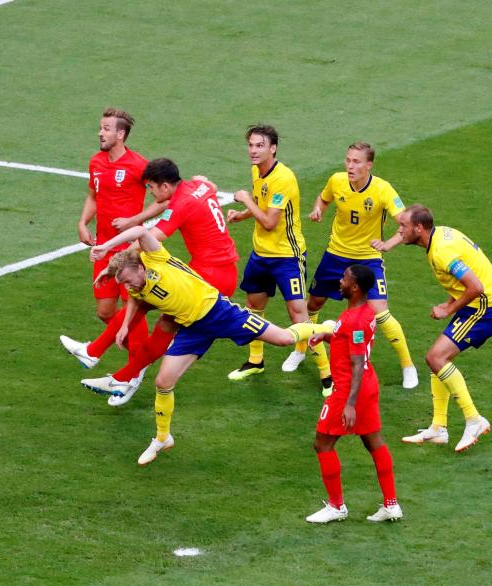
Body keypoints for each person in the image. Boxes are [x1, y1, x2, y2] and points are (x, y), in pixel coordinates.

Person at [90, 225, 329, 465]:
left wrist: (105, 246)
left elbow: (140, 230)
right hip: (192, 329)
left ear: (141, 268)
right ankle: (162, 438)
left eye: (129, 280)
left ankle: (328, 328)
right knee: (163, 382)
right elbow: (135, 297)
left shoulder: (156, 258)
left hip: (219, 312)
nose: (128, 287)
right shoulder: (138, 287)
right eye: (124, 284)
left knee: (285, 338)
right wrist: (124, 324)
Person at [69, 158, 240, 407]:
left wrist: (111, 262)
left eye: (151, 188)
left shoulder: (180, 204)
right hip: (219, 270)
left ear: (165, 186)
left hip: (209, 277)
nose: (151, 193)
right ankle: (99, 357)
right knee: (144, 301)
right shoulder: (196, 186)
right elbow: (207, 185)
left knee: (159, 318)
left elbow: (145, 241)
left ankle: (122, 376)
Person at [284, 143, 418, 390]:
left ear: (369, 165)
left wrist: (388, 243)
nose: (350, 166)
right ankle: (301, 348)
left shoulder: (382, 190)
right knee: (312, 305)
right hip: (335, 255)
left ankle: (408, 366)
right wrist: (318, 210)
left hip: (368, 259)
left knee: (380, 311)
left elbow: (407, 222)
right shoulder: (336, 181)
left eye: (356, 162)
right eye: (348, 160)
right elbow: (324, 199)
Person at [393, 205, 492, 452]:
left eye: (403, 226)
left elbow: (475, 286)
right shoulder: (439, 238)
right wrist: (450, 303)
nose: (399, 230)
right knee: (437, 359)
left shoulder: (441, 252)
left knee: (435, 357)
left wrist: (448, 309)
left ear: (419, 228)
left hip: (487, 307)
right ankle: (438, 428)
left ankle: (474, 419)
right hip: (482, 303)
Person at [61, 108, 154, 394]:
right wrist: (82, 221)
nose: (100, 133)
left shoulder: (139, 165)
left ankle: (133, 370)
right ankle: (141, 358)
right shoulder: (96, 162)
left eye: (106, 128)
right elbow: (93, 195)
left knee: (132, 308)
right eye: (100, 128)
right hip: (103, 247)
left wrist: (134, 222)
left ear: (121, 134)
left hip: (128, 250)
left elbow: (164, 200)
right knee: (105, 311)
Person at [225, 125, 321, 392]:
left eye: (259, 146)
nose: (253, 151)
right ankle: (256, 360)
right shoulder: (258, 171)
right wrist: (241, 214)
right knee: (254, 305)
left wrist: (244, 199)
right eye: (251, 145)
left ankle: (327, 374)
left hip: (287, 256)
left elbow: (269, 221)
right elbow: (262, 206)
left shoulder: (283, 178)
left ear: (273, 148)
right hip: (261, 254)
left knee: (298, 314)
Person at [304, 265, 402, 524]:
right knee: (374, 442)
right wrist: (328, 336)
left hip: (349, 389)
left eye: (345, 278)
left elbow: (356, 363)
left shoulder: (355, 319)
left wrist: (349, 404)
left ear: (355, 287)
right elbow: (350, 343)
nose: (340, 281)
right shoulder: (363, 312)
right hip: (367, 386)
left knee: (322, 443)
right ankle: (391, 505)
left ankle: (337, 507)